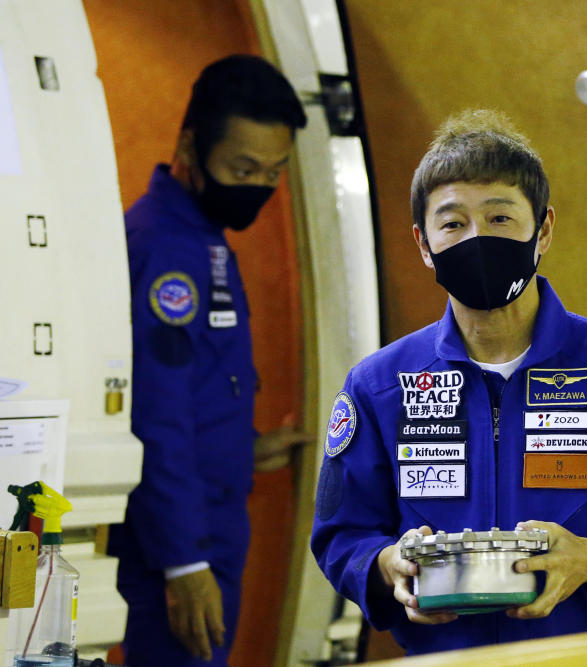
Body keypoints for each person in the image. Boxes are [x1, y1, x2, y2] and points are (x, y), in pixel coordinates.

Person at [311, 109, 587, 655]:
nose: (477, 238)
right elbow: (341, 534)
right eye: (453, 223)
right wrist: (388, 564)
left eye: (501, 219)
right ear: (423, 243)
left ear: (543, 229)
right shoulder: (378, 387)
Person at [110, 55, 311, 666]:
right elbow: (154, 412)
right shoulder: (168, 249)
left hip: (208, 517)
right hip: (176, 537)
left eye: (273, 172)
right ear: (190, 147)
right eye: (242, 168)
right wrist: (185, 563)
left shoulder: (202, 237)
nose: (257, 186)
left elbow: (192, 384)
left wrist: (243, 447)